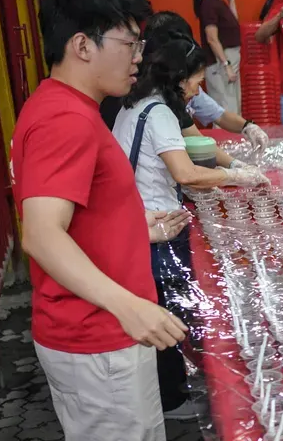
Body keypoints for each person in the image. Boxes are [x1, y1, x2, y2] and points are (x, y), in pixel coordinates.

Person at [10, 0, 199, 441]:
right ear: (82, 45)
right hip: (98, 341)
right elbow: (41, 234)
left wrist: (136, 230)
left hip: (92, 335)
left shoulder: (71, 110)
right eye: (129, 41)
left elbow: (74, 220)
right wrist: (129, 304)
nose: (138, 56)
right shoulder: (64, 118)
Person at [112, 38, 267, 419]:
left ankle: (166, 392)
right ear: (179, 79)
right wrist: (235, 176)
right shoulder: (160, 113)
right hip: (158, 226)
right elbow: (185, 173)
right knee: (168, 310)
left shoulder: (134, 104)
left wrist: (230, 167)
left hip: (136, 219)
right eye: (196, 82)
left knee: (158, 307)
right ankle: (172, 399)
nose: (197, 91)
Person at [100, 12, 270, 151]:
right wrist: (235, 169)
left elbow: (219, 115)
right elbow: (191, 158)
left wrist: (248, 126)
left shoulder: (183, 83)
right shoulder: (154, 93)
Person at [192, 0, 241, 114]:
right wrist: (226, 65)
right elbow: (212, 38)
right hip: (220, 62)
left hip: (229, 59)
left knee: (234, 108)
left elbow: (235, 24)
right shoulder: (210, 6)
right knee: (226, 111)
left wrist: (232, 0)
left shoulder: (220, 4)